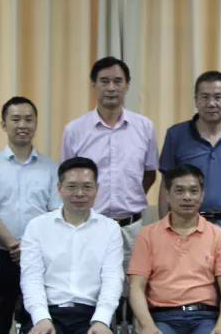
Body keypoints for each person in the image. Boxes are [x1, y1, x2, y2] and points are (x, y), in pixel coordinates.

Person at [0, 97, 61, 334]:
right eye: (16, 119)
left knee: (34, 315)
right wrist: (13, 244)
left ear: (36, 123)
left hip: (40, 254)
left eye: (29, 119)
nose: (23, 125)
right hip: (1, 254)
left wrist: (29, 246)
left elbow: (55, 211)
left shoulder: (51, 168)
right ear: (4, 124)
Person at [61, 56, 158, 270]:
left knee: (133, 284)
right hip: (89, 225)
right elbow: (67, 180)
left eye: (117, 81)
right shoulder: (74, 130)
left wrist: (130, 196)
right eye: (104, 81)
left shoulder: (144, 127)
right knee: (89, 282)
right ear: (93, 85)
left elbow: (150, 173)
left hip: (131, 227)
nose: (111, 88)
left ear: (127, 85)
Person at [20, 157, 124, 334]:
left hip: (91, 314)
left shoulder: (110, 228)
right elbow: (31, 277)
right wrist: (41, 318)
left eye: (87, 187)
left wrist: (101, 319)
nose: (80, 193)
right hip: (49, 312)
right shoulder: (37, 226)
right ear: (59, 188)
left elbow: (113, 278)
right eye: (72, 186)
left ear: (97, 189)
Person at [129, 164, 221, 334]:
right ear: (167, 195)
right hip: (162, 318)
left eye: (193, 191)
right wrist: (147, 325)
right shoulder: (147, 235)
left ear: (202, 195)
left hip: (205, 318)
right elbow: (136, 286)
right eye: (179, 191)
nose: (187, 197)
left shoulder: (219, 236)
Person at [158, 71, 221, 242]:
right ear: (196, 100)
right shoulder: (176, 134)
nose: (211, 103)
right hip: (186, 224)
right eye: (205, 97)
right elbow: (165, 186)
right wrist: (164, 228)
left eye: (218, 97)